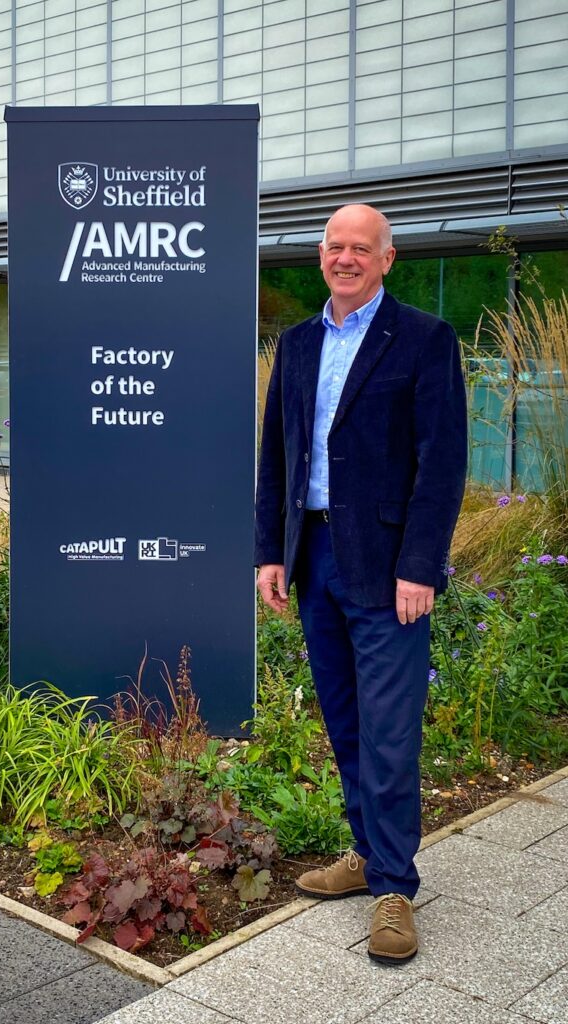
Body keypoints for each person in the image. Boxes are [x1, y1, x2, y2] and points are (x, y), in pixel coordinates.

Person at [255, 204, 467, 964]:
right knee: (344, 720)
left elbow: (441, 464)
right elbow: (278, 458)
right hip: (313, 559)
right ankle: (365, 853)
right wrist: (269, 552)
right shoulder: (300, 343)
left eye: (360, 248)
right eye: (334, 247)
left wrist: (421, 564)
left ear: (387, 258)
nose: (345, 258)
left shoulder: (423, 339)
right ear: (321, 256)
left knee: (388, 730)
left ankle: (394, 890)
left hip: (386, 569)